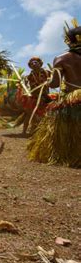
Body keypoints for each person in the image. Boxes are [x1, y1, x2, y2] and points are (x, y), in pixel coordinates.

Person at [28, 19, 81, 167]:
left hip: (73, 99)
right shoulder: (31, 75)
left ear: (68, 41)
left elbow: (55, 84)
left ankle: (70, 154)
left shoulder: (61, 58)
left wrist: (50, 79)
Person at [17, 57, 51, 135]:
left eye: (35, 62)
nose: (34, 64)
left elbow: (53, 82)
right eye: (32, 63)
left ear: (40, 64)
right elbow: (24, 85)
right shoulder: (29, 76)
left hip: (45, 96)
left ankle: (43, 131)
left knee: (47, 114)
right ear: (30, 66)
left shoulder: (47, 72)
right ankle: (24, 131)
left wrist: (49, 81)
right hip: (34, 97)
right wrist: (21, 83)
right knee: (29, 114)